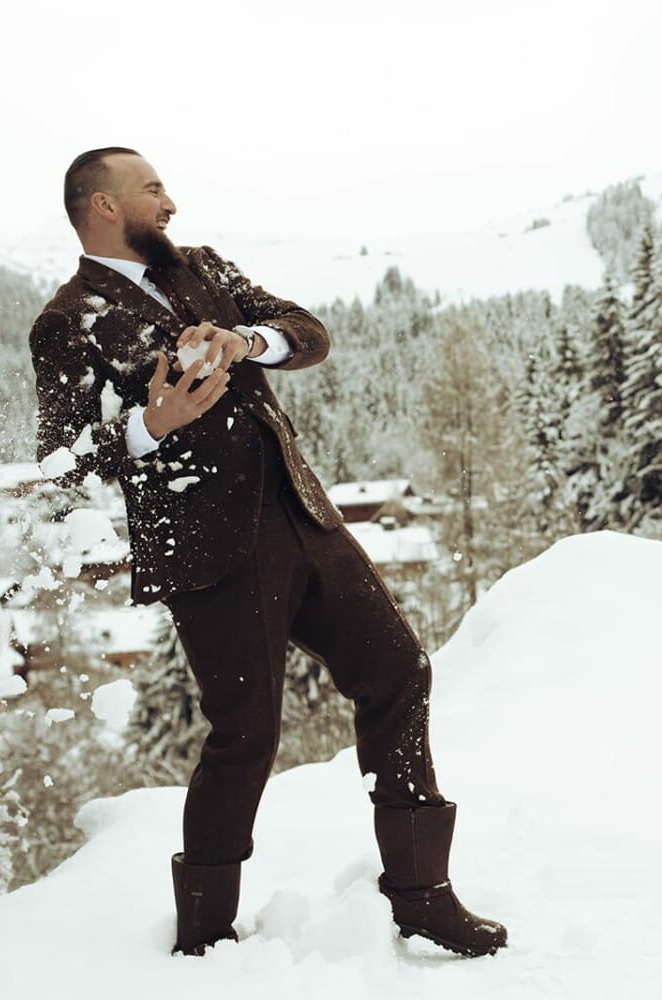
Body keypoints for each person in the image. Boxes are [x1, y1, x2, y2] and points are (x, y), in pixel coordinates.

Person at [29, 148, 507, 957]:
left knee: (399, 668)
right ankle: (206, 935)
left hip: (303, 515)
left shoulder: (205, 270)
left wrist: (249, 340)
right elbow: (61, 456)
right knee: (245, 733)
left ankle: (422, 894)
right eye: (152, 189)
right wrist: (154, 425)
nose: (170, 201)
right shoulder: (66, 320)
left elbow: (308, 334)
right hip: (205, 548)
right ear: (103, 206)